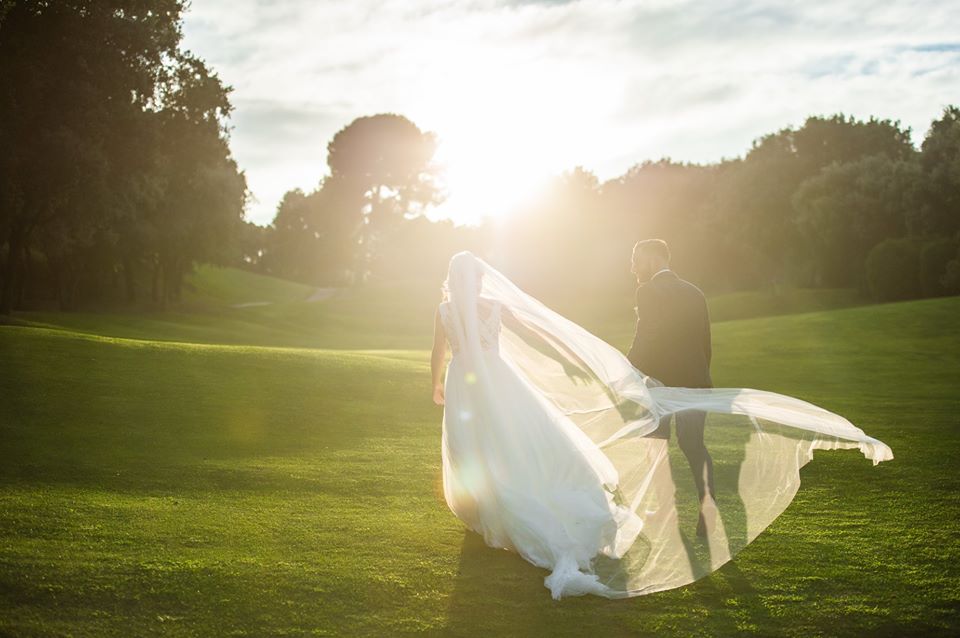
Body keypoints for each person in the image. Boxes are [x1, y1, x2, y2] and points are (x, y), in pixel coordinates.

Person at [430, 250, 892, 600]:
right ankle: (687, 502)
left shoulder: (445, 311)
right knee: (515, 442)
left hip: (468, 383)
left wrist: (438, 386)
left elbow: (440, 354)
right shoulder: (494, 307)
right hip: (499, 378)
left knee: (479, 445)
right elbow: (542, 335)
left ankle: (491, 510)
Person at [627, 239, 714, 536]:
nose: (632, 267)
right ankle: (707, 512)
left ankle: (666, 508)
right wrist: (699, 378)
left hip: (661, 385)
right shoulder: (695, 292)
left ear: (652, 259)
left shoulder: (647, 291)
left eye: (636, 259)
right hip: (696, 382)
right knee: (694, 446)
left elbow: (646, 337)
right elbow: (705, 344)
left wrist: (625, 370)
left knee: (655, 444)